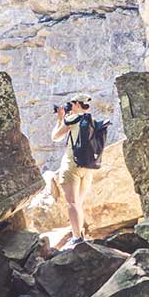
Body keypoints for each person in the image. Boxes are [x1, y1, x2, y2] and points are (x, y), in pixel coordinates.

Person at [51, 92, 98, 248]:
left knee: (72, 203)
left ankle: (77, 238)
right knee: (78, 203)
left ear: (78, 104)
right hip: (87, 168)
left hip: (71, 166)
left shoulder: (72, 119)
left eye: (72, 103)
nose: (70, 106)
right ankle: (80, 235)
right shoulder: (91, 120)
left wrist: (60, 118)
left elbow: (55, 137)